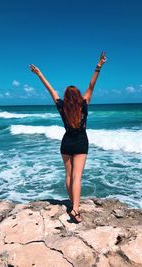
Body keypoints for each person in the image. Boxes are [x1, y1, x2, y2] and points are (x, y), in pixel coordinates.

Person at [29, 51, 107, 223]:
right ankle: (75, 210)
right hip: (81, 143)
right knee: (77, 177)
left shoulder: (62, 106)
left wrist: (39, 74)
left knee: (69, 175)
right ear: (78, 96)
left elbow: (50, 89)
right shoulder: (84, 104)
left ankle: (72, 203)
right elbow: (91, 85)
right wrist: (98, 66)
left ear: (66, 97)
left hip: (66, 143)